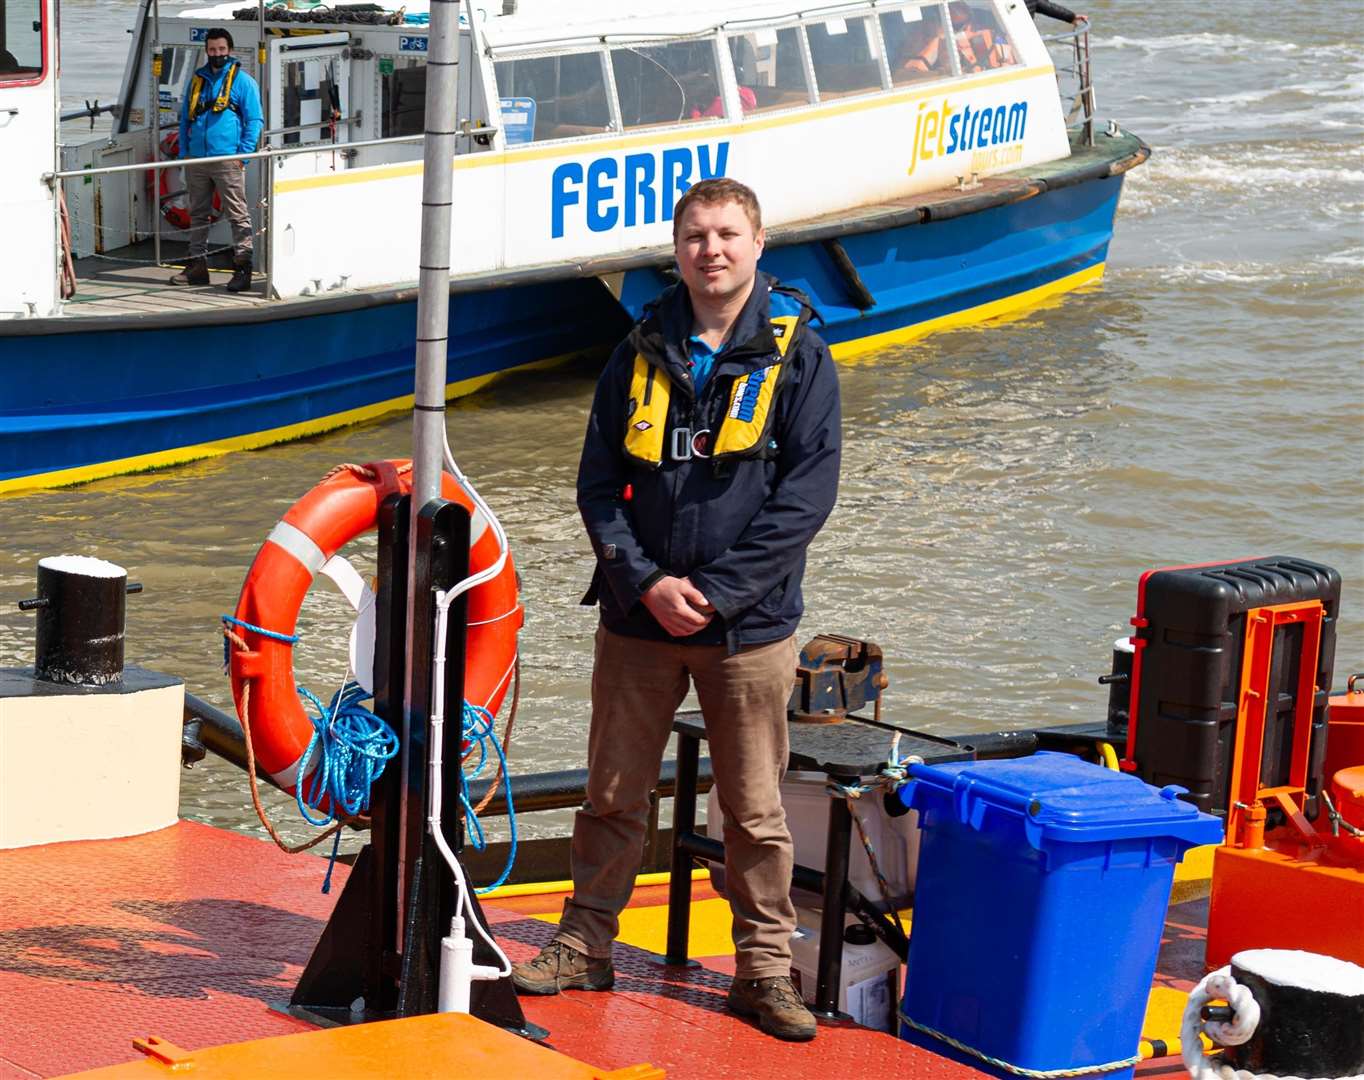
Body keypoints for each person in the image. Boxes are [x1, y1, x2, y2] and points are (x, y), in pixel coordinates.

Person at [510, 177, 841, 1044]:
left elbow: (806, 497)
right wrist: (645, 580)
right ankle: (585, 944)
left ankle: (766, 971)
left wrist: (724, 593)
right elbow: (596, 486)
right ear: (677, 248)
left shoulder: (799, 352)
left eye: (728, 234)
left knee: (755, 811)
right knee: (612, 793)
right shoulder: (638, 347)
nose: (711, 251)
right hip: (636, 618)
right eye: (695, 236)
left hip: (750, 629)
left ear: (759, 242)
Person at [168, 28, 263, 293]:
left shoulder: (243, 82)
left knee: (237, 215)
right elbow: (186, 118)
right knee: (197, 213)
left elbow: (255, 120)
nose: (217, 54)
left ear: (229, 50)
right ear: (206, 50)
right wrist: (186, 152)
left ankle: (243, 269)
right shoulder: (197, 81)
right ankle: (197, 266)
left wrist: (242, 155)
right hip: (197, 159)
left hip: (228, 160)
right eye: (212, 49)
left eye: (221, 49)